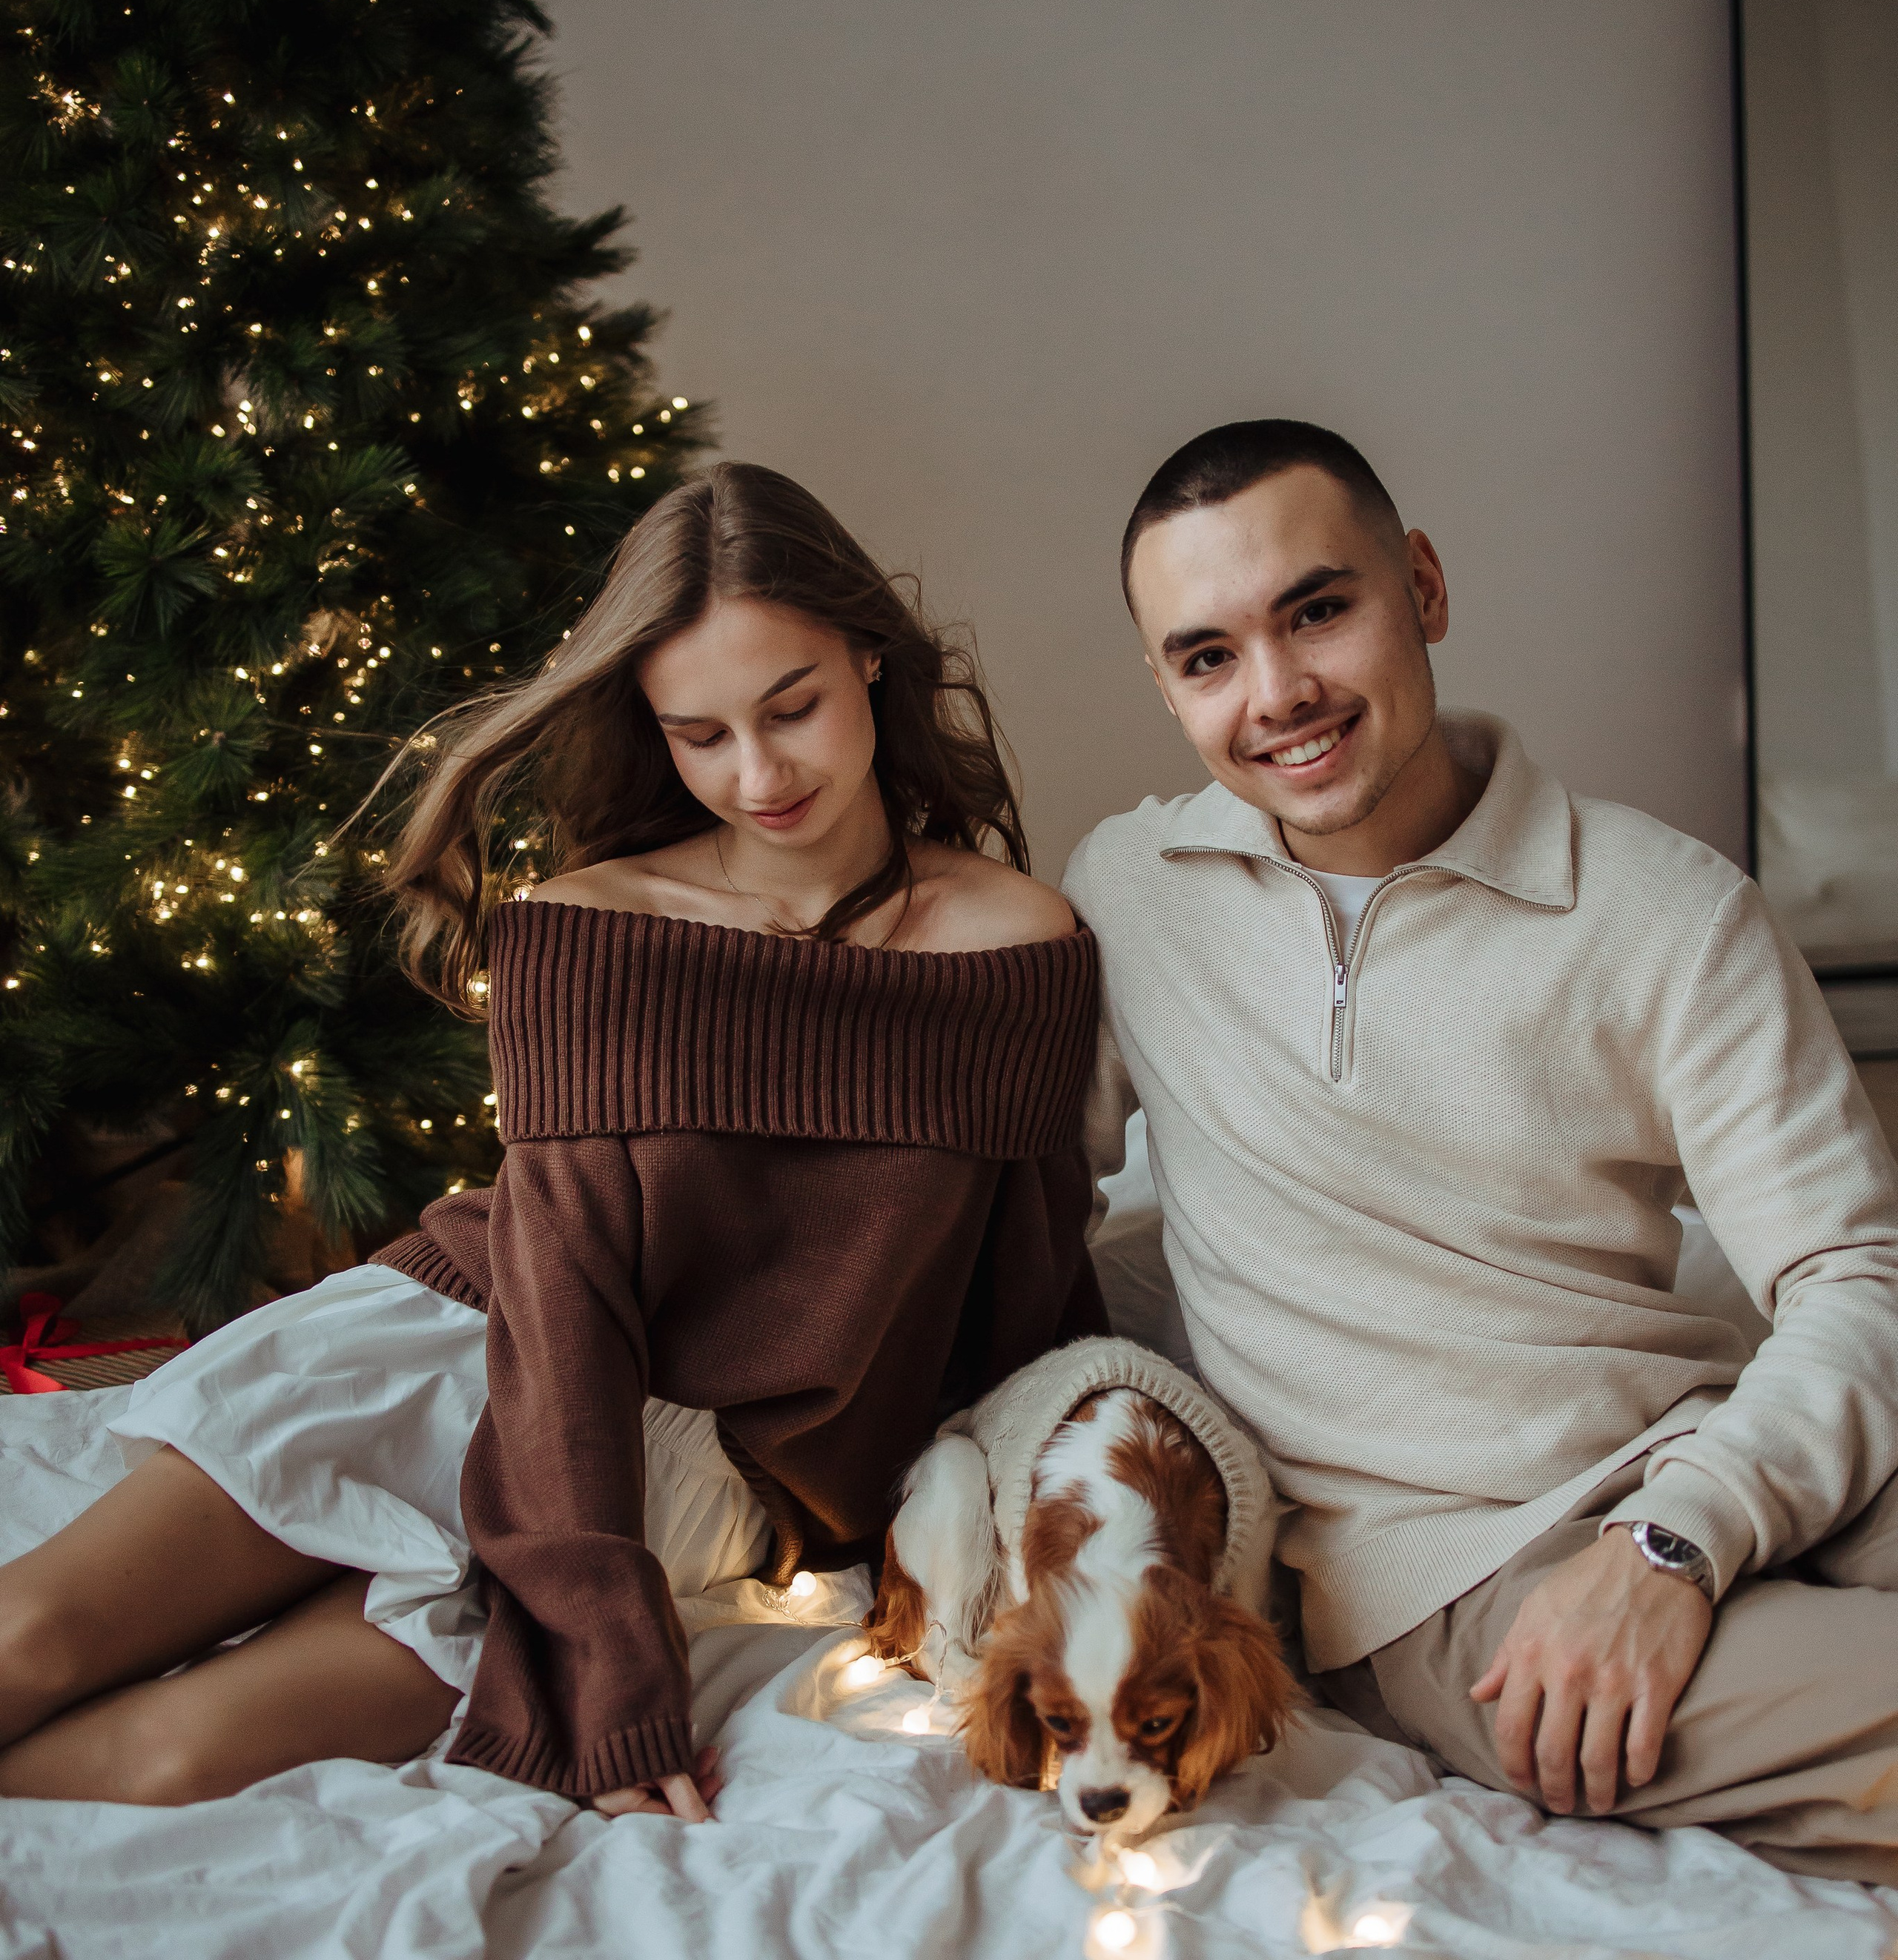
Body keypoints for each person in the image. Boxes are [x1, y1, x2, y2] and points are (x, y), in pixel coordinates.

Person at [0, 464, 1100, 1818]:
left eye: (792, 707)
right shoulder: (590, 927)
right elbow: (562, 1289)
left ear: (870, 653)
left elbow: (1028, 1302)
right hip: (468, 1351)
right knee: (27, 1642)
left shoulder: (1019, 946)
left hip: (686, 1478)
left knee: (170, 1762)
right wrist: (603, 1632)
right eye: (699, 734)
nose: (757, 774)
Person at [1065, 417, 1898, 1884]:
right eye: (1206, 657)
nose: (1275, 696)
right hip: (1452, 1577)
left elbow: (1855, 1277)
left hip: (1692, 1464)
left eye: (1316, 610)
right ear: (1164, 685)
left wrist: (1669, 1538)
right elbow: (1006, 1196)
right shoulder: (1125, 893)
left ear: (1423, 591)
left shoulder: (1663, 912)